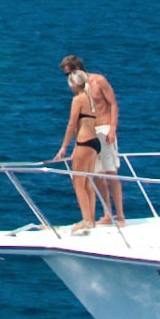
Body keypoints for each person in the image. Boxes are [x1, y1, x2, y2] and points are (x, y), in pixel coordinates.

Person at [54, 55, 122, 232]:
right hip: (92, 135)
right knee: (95, 177)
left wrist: (112, 128)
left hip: (99, 132)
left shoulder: (94, 84)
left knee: (104, 174)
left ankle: (116, 216)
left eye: (69, 74)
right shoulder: (85, 95)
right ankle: (104, 215)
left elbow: (112, 104)